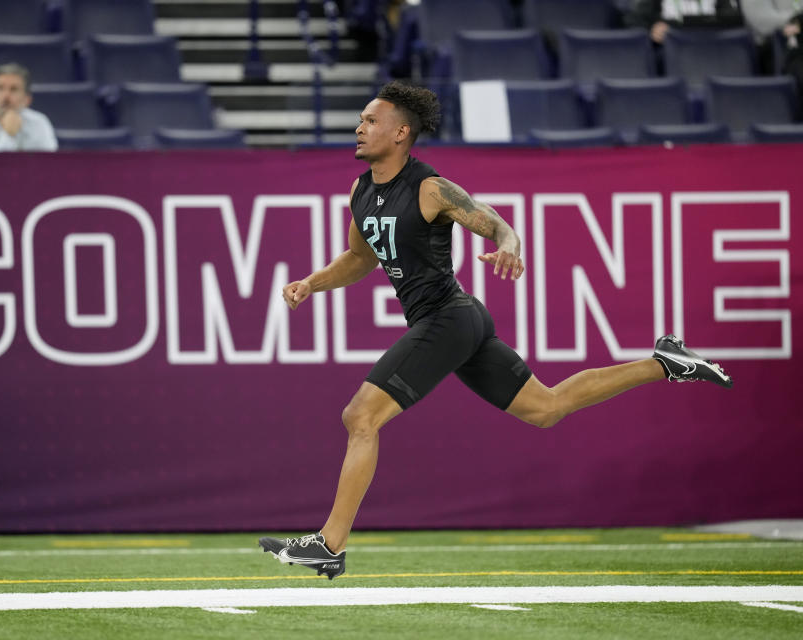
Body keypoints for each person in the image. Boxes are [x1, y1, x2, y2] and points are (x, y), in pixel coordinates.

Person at [257, 81, 733, 580]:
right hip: (453, 321)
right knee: (545, 409)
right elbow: (360, 258)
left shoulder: (430, 188)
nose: (359, 128)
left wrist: (510, 245)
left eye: (370, 121)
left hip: (449, 317)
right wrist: (312, 283)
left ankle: (329, 545)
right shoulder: (360, 190)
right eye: (360, 120)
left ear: (401, 133)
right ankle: (665, 362)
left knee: (360, 417)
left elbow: (496, 224)